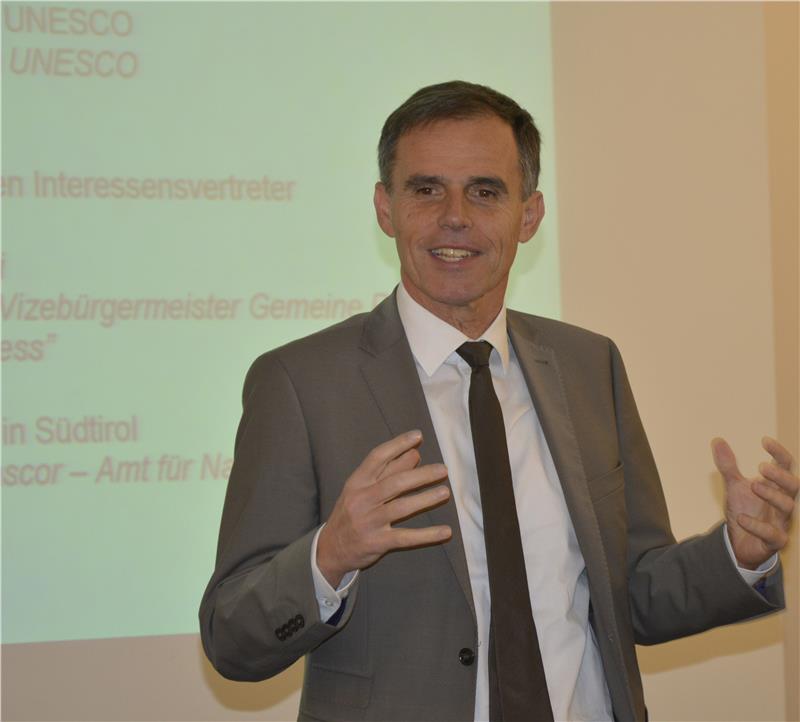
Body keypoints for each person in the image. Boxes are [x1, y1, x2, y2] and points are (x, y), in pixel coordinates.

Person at [199, 81, 796, 722]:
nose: (455, 216)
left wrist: (738, 554)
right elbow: (232, 638)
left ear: (529, 216)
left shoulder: (588, 365)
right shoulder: (300, 382)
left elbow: (634, 594)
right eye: (426, 190)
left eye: (485, 191)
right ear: (385, 208)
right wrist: (329, 554)